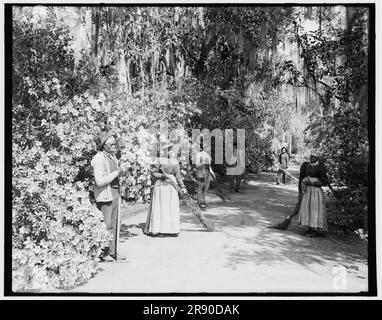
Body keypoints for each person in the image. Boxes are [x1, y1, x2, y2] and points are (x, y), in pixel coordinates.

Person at [91, 130, 127, 262]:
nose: (114, 146)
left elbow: (115, 174)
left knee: (115, 223)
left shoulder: (112, 157)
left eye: (114, 144)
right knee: (106, 224)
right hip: (105, 195)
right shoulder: (98, 159)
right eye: (111, 144)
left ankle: (114, 252)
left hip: (115, 193)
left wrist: (122, 172)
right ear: (103, 145)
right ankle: (104, 253)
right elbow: (100, 181)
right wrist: (117, 173)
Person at [275, 151, 328, 236]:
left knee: (314, 209)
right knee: (307, 209)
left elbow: (325, 181)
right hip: (306, 191)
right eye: (311, 156)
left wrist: (313, 183)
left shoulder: (320, 167)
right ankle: (310, 228)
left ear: (317, 158)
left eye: (313, 157)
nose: (311, 158)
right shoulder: (305, 166)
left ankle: (314, 229)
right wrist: (300, 190)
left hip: (315, 192)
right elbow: (301, 178)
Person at [144, 141, 188, 237]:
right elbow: (153, 172)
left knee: (170, 206)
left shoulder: (175, 161)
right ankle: (159, 229)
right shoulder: (159, 160)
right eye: (168, 149)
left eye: (170, 149)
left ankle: (171, 229)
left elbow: (178, 176)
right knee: (162, 206)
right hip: (161, 185)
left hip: (172, 186)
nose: (170, 151)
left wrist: (183, 186)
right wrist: (161, 176)